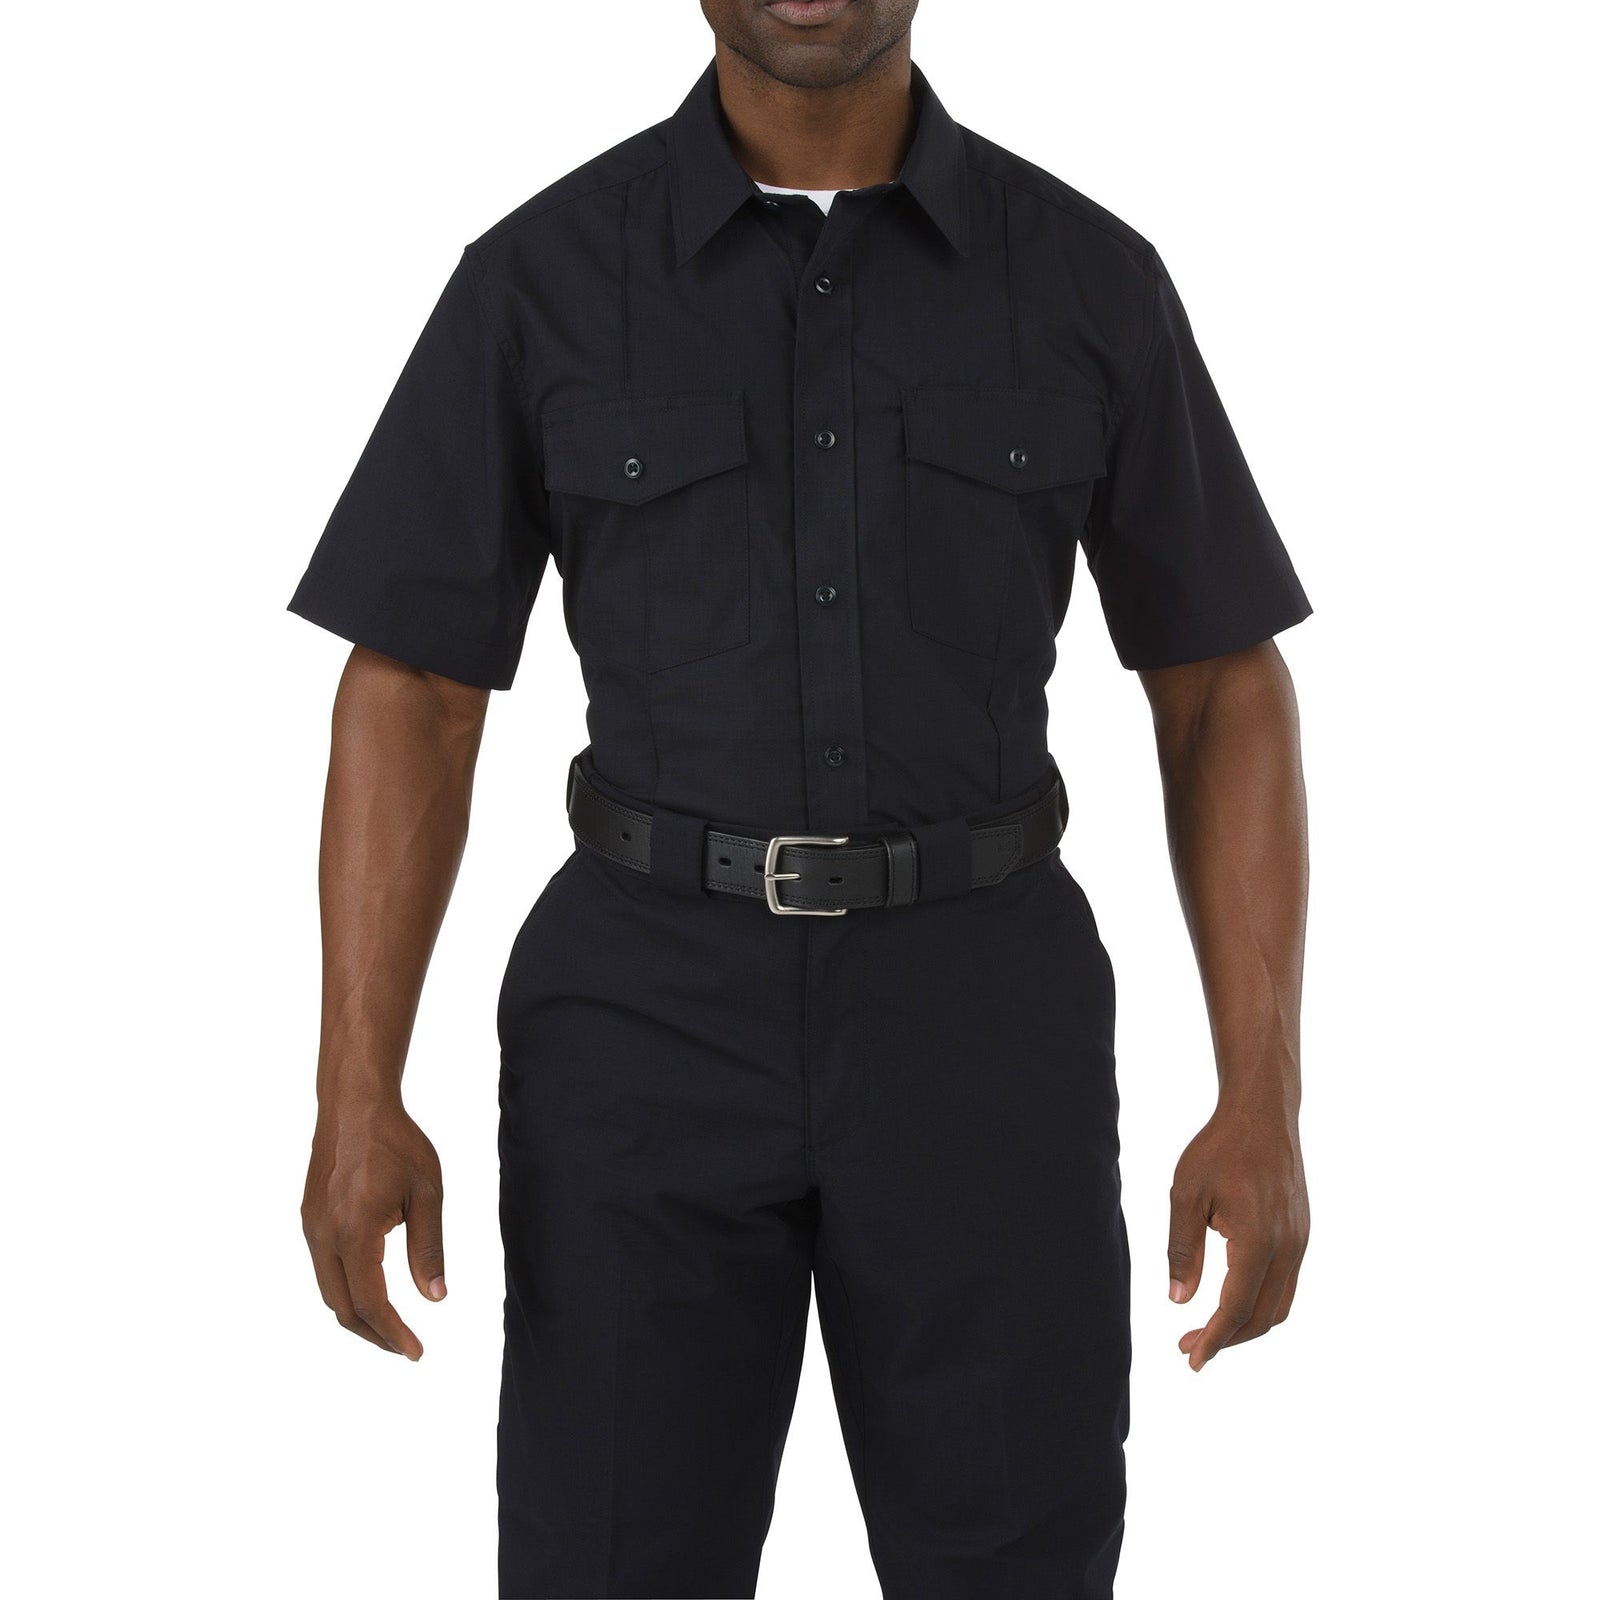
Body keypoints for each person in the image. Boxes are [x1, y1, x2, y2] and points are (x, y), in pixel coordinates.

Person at [290, 2, 1312, 1595]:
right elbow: (413, 688)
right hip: (640, 1029)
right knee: (610, 1559)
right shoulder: (541, 279)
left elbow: (1220, 684)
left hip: (985, 1029)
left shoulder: (1087, 279)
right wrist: (355, 1090)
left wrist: (1265, 1097)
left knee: (1015, 1564)